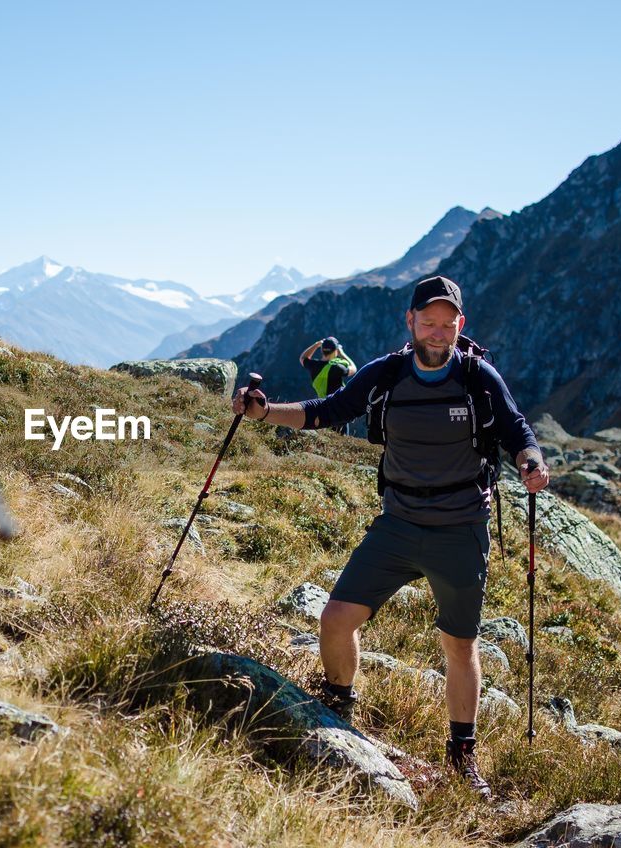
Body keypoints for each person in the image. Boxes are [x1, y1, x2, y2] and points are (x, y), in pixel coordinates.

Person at [235, 275, 549, 799]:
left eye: (448, 324)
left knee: (460, 645)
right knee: (336, 619)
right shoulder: (387, 374)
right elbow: (326, 411)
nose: (438, 332)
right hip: (398, 524)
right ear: (411, 320)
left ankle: (462, 758)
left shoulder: (478, 377)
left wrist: (531, 463)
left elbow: (517, 430)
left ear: (460, 326)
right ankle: (339, 708)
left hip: (460, 528)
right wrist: (265, 412)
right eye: (429, 322)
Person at [299, 336, 357, 433]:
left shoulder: (314, 366)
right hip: (339, 406)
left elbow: (303, 358)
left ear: (322, 350)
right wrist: (342, 353)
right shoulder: (337, 367)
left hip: (322, 405)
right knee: (340, 437)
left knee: (326, 433)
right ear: (335, 351)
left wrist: (316, 345)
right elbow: (353, 369)